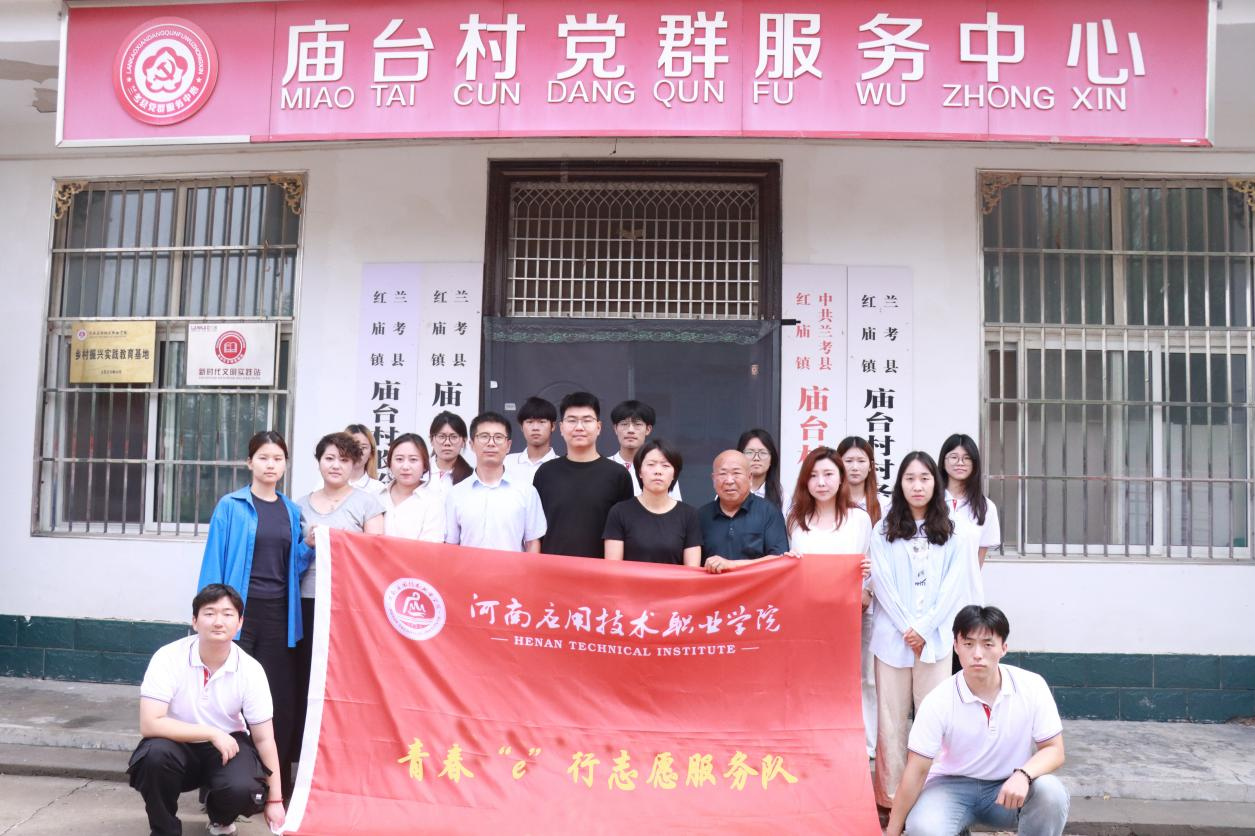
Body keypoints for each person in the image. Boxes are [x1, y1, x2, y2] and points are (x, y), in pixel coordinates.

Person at [886, 605, 1069, 836]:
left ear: (1003, 648)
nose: (977, 654)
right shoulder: (938, 700)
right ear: (956, 646)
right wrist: (892, 831)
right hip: (950, 788)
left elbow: (1054, 750)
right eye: (968, 644)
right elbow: (916, 771)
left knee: (1051, 793)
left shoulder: (1032, 686)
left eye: (987, 644)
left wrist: (1023, 775)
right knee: (924, 828)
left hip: (1008, 787)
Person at [197, 430, 306, 800]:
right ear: (249, 463)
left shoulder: (292, 511)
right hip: (238, 614)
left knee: (276, 700)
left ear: (285, 464)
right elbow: (214, 560)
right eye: (263, 457)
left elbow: (294, 566)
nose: (270, 465)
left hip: (280, 616)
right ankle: (220, 786)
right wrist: (210, 614)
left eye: (277, 459)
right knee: (228, 698)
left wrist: (311, 546)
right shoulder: (231, 506)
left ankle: (274, 784)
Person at [128, 584, 285, 836]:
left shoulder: (251, 670)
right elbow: (150, 723)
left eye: (228, 614)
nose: (218, 622)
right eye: (209, 613)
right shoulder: (168, 657)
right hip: (175, 742)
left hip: (228, 746)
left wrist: (275, 800)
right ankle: (164, 830)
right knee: (153, 757)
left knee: (244, 787)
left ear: (240, 622)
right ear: (194, 621)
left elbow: (264, 738)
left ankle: (220, 819)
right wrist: (211, 732)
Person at [869, 451, 971, 810]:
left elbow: (953, 585)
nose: (917, 486)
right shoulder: (883, 529)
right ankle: (891, 797)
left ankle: (932, 797)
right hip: (891, 639)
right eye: (910, 478)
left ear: (935, 483)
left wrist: (924, 628)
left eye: (924, 478)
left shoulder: (952, 531)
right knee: (891, 721)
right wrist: (907, 627)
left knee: (934, 720)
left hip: (936, 639)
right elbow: (880, 581)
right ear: (900, 484)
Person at [294, 432, 384, 766]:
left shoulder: (367, 504)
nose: (336, 465)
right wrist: (309, 544)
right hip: (307, 600)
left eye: (344, 460)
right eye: (329, 458)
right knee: (306, 676)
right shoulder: (299, 505)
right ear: (319, 461)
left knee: (343, 678)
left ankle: (342, 755)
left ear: (355, 464)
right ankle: (305, 756)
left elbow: (376, 554)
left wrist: (342, 542)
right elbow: (290, 554)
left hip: (348, 605)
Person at [533, 392, 634, 558]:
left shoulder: (618, 475)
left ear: (599, 427)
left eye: (587, 420)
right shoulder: (545, 473)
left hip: (599, 569)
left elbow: (625, 532)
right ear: (561, 428)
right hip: (552, 567)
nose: (579, 427)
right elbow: (535, 530)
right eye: (572, 420)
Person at [837, 434, 885, 760]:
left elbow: (885, 556)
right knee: (837, 674)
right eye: (848, 461)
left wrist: (869, 589)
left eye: (860, 461)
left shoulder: (883, 506)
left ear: (871, 466)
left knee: (868, 675)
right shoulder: (829, 503)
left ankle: (868, 743)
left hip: (871, 602)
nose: (854, 467)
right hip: (834, 603)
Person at [446, 411, 547, 552]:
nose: (491, 443)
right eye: (484, 436)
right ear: (472, 444)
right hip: (468, 567)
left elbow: (532, 543)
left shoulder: (526, 492)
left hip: (512, 567)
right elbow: (451, 545)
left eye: (498, 437)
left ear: (508, 445)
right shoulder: (456, 493)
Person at [604, 439, 702, 566]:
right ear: (639, 471)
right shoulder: (619, 512)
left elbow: (692, 571)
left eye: (665, 466)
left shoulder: (689, 515)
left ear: (674, 474)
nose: (658, 471)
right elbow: (612, 569)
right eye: (651, 464)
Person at [699, 450, 791, 573]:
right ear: (713, 479)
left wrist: (732, 565)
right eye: (722, 474)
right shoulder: (701, 516)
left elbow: (778, 559)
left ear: (749, 477)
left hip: (757, 584)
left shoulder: (768, 512)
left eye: (736, 473)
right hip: (713, 585)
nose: (729, 480)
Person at [940, 432, 1002, 602]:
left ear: (974, 464)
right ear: (943, 461)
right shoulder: (929, 502)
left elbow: (977, 561)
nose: (960, 462)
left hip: (966, 596)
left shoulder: (985, 507)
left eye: (967, 458)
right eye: (954, 457)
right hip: (930, 593)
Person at [786, 446, 874, 556]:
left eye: (828, 474)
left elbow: (867, 559)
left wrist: (867, 565)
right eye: (813, 475)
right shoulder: (795, 518)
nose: (821, 483)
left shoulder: (860, 519)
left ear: (841, 477)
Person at [609, 399, 682, 499]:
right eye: (624, 424)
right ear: (615, 429)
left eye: (637, 424)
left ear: (648, 429)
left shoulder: (661, 469)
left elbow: (674, 505)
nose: (630, 430)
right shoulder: (604, 467)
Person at [380, 433, 445, 542]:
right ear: (390, 463)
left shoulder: (433, 502)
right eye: (399, 459)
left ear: (424, 465)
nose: (405, 467)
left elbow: (430, 547)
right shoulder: (376, 496)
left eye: (413, 460)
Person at [505, 396, 559, 486]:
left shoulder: (561, 466)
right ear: (521, 427)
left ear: (553, 426)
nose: (535, 428)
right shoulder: (507, 463)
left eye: (542, 422)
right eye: (530, 422)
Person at [428, 411, 473, 497]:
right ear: (431, 440)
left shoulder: (470, 477)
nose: (447, 443)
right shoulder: (420, 472)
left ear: (464, 441)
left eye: (454, 437)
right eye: (441, 436)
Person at [738, 428, 783, 509]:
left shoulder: (782, 497)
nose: (756, 458)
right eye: (750, 452)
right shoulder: (729, 492)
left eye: (763, 453)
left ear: (771, 459)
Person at [343, 423, 387, 495]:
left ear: (371, 453)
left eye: (363, 447)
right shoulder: (327, 484)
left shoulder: (378, 489)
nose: (358, 451)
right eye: (353, 446)